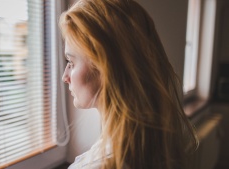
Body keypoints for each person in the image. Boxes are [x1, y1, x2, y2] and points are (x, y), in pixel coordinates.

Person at [59, 0, 198, 168]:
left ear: (106, 66)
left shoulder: (101, 164)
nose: (65, 77)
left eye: (71, 62)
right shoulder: (157, 141)